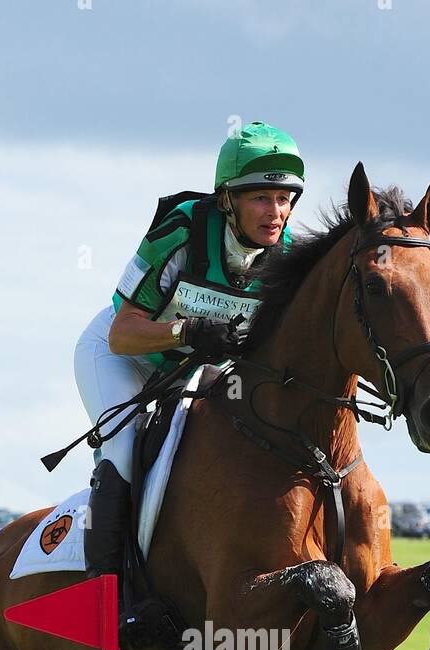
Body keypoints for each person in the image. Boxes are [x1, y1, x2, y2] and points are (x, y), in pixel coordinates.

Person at [74, 121, 304, 577]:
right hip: (120, 357)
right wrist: (189, 331)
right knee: (123, 450)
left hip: (189, 374)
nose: (275, 211)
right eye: (260, 197)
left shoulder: (287, 258)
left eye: (284, 198)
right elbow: (123, 332)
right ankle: (107, 592)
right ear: (227, 200)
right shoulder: (182, 231)